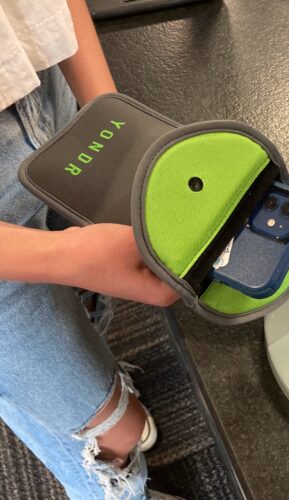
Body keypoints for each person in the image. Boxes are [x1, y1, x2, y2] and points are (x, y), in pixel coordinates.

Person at [0, 1, 181, 498]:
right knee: (114, 438)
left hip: (48, 92)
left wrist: (115, 123)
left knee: (88, 300)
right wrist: (66, 255)